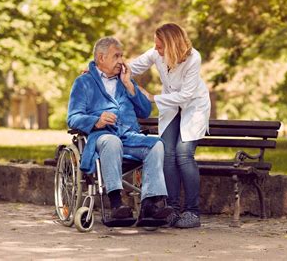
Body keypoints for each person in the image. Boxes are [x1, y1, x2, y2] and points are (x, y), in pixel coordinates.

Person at [67, 36, 172, 226]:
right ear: (101, 58)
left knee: (156, 144)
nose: (121, 61)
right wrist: (96, 120)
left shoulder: (125, 80)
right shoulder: (83, 82)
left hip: (129, 136)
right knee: (111, 141)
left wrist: (130, 85)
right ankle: (116, 203)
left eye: (122, 56)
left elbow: (145, 111)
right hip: (102, 137)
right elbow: (73, 117)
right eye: (116, 56)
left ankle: (150, 204)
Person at [129, 23, 211, 228]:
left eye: (160, 46)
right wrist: (97, 69)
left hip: (193, 106)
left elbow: (186, 95)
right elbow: (132, 67)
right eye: (155, 45)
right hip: (171, 106)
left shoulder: (193, 58)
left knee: (184, 154)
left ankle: (192, 212)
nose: (156, 49)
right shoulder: (156, 54)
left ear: (172, 45)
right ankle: (172, 210)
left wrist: (153, 98)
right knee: (167, 153)